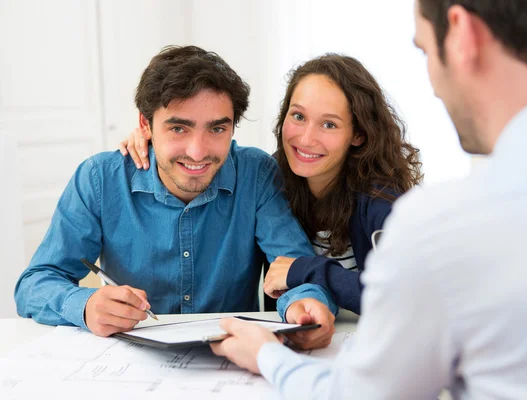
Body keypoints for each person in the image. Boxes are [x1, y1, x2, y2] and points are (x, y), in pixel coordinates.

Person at [210, 0, 527, 398]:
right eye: (298, 117)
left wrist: (268, 356)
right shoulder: (269, 179)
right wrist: (149, 150)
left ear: (461, 32)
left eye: (425, 50)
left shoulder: (435, 225)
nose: (432, 85)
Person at [14, 45, 337, 350]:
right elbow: (35, 284)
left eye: (216, 129)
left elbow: (298, 270)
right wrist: (85, 306)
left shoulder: (256, 174)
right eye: (178, 129)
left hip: (232, 361)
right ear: (146, 124)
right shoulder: (100, 179)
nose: (197, 152)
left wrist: (305, 306)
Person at [120, 54, 423, 315]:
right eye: (298, 116)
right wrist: (157, 141)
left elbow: (406, 297)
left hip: (371, 336)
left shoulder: (381, 200)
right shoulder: (273, 176)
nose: (305, 139)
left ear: (358, 134)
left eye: (329, 124)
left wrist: (304, 268)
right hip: (304, 330)